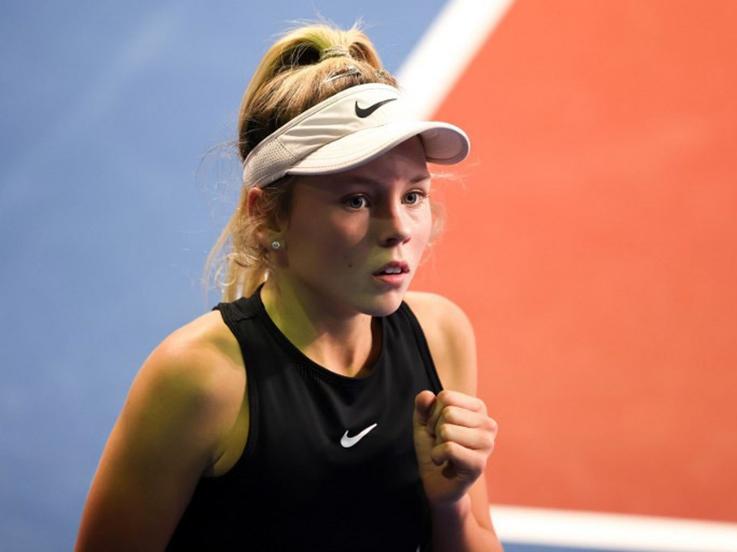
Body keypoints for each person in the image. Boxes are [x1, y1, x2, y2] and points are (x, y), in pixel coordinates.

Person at [76, 23, 500, 551]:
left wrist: (451, 505)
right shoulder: (202, 378)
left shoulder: (441, 335)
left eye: (413, 196)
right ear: (269, 216)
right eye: (357, 200)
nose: (399, 227)